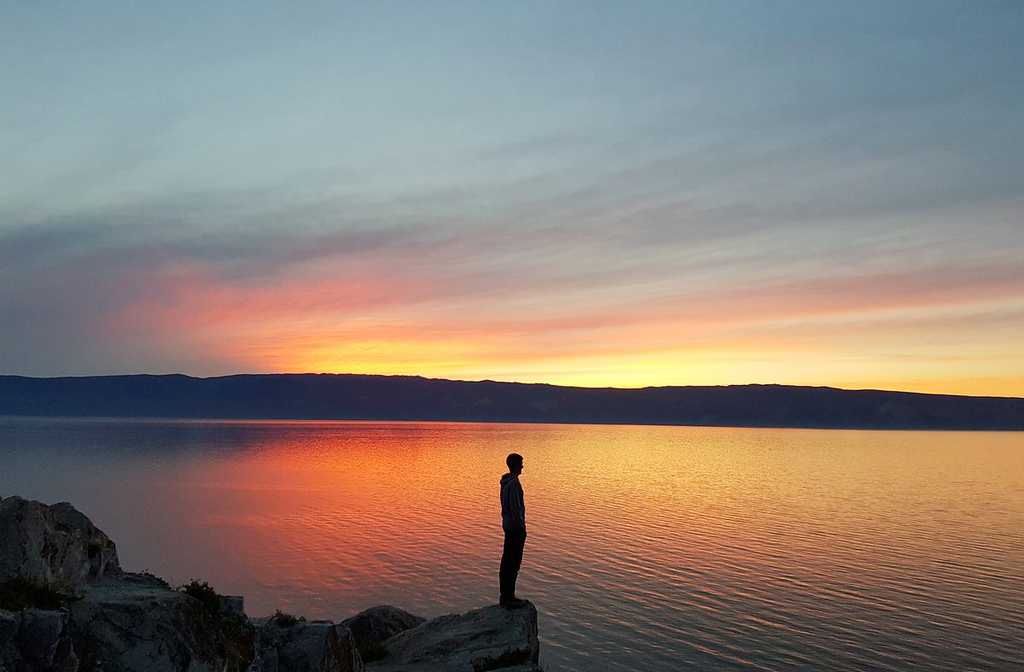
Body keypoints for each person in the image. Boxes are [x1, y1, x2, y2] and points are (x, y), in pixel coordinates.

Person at [499, 452, 529, 609]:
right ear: (516, 465)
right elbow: (515, 508)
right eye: (521, 463)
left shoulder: (505, 482)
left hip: (508, 526)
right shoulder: (514, 484)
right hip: (515, 528)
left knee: (506, 562)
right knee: (513, 563)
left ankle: (505, 596)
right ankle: (509, 597)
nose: (523, 466)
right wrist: (521, 525)